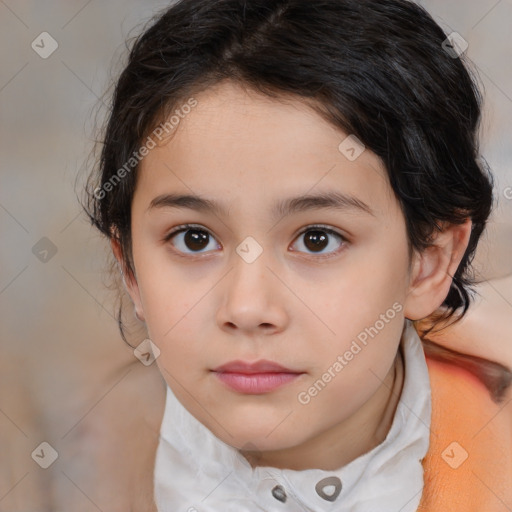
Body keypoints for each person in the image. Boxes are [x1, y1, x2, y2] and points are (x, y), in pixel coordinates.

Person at [83, 0, 512, 510]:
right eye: (194, 239)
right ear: (129, 266)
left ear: (429, 262)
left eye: (317, 239)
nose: (247, 308)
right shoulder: (74, 465)